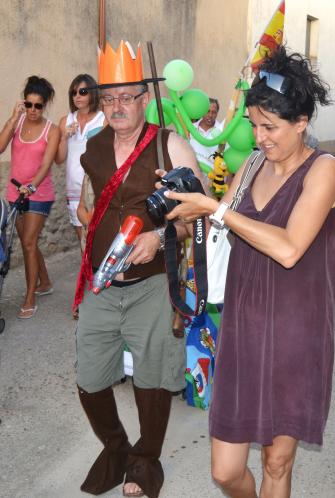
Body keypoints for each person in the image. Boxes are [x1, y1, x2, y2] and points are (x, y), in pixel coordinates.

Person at [159, 47, 335, 498]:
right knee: (226, 471)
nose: (259, 137)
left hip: (295, 333)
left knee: (276, 464)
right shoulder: (253, 164)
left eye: (270, 127)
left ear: (301, 123)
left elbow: (289, 248)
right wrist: (184, 200)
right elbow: (216, 226)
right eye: (254, 125)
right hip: (242, 327)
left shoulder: (324, 170)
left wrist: (216, 209)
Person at [72, 40, 202, 498]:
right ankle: (117, 449)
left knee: (153, 377)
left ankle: (146, 461)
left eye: (126, 96)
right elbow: (88, 205)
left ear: (145, 99)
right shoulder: (92, 147)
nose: (117, 106)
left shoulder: (170, 146)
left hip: (153, 284)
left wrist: (160, 236)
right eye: (108, 98)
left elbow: (199, 217)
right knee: (89, 377)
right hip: (103, 282)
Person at [0, 76, 59, 319]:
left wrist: (32, 186)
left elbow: (46, 164)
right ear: (23, 102)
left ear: (44, 105)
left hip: (39, 193)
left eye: (38, 106)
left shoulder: (52, 130)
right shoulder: (18, 122)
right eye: (28, 104)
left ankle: (29, 298)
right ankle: (44, 281)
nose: (33, 110)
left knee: (27, 243)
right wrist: (13, 118)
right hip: (15, 192)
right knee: (29, 242)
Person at [55, 74, 105, 249]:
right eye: (74, 92)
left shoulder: (103, 119)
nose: (77, 96)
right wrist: (64, 137)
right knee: (83, 242)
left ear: (92, 93)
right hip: (74, 189)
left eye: (82, 92)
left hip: (96, 187)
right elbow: (59, 159)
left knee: (100, 239)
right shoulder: (65, 121)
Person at [189, 97, 222, 168]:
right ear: (202, 111)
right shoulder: (190, 129)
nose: (210, 115)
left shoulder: (222, 132)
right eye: (207, 111)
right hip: (191, 172)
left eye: (213, 112)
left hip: (212, 173)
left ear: (217, 113)